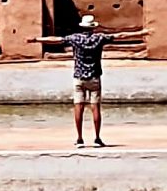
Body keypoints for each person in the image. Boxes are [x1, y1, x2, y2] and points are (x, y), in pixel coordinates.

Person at [29, 14, 149, 146]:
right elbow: (120, 35)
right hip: (94, 78)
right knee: (95, 108)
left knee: (78, 107)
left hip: (79, 78)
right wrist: (141, 33)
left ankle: (79, 139)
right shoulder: (99, 38)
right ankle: (97, 138)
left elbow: (56, 40)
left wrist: (36, 39)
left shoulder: (76, 38)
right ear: (93, 27)